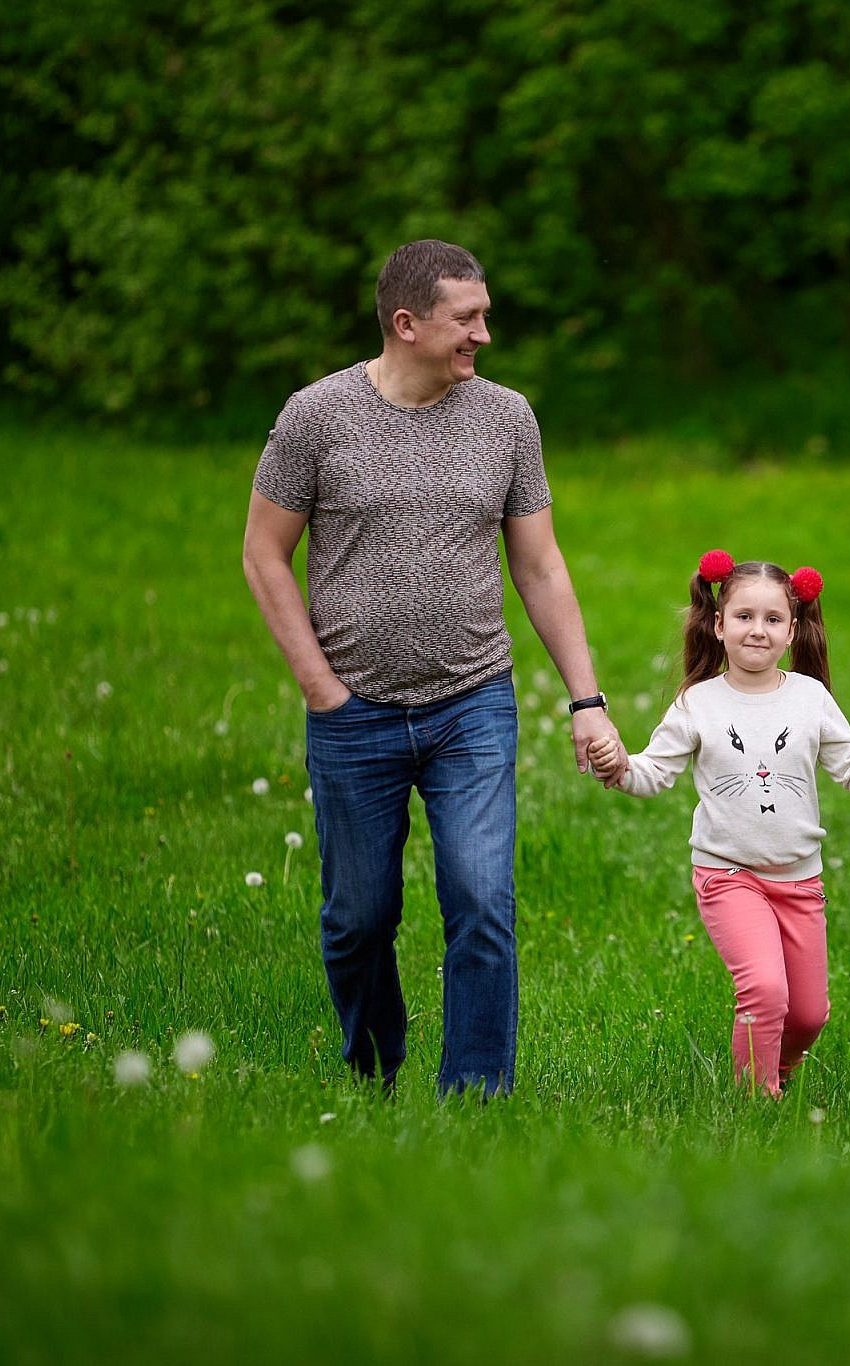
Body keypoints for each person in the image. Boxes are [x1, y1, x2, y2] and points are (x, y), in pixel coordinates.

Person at [242, 239, 628, 1097]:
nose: (485, 335)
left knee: (483, 904)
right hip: (354, 713)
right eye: (469, 318)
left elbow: (540, 566)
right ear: (407, 324)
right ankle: (375, 1067)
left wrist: (587, 700)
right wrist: (321, 689)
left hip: (472, 705)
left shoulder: (507, 419)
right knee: (357, 920)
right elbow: (265, 554)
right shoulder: (316, 417)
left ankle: (476, 1096)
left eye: (485, 314)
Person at [591, 552, 850, 1095]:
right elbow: (652, 773)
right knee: (765, 991)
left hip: (800, 880)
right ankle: (757, 1102)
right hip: (728, 875)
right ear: (718, 625)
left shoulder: (809, 698)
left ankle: (778, 1068)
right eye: (744, 616)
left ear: (793, 629)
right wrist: (618, 767)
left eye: (773, 619)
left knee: (809, 1015)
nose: (758, 630)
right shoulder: (697, 704)